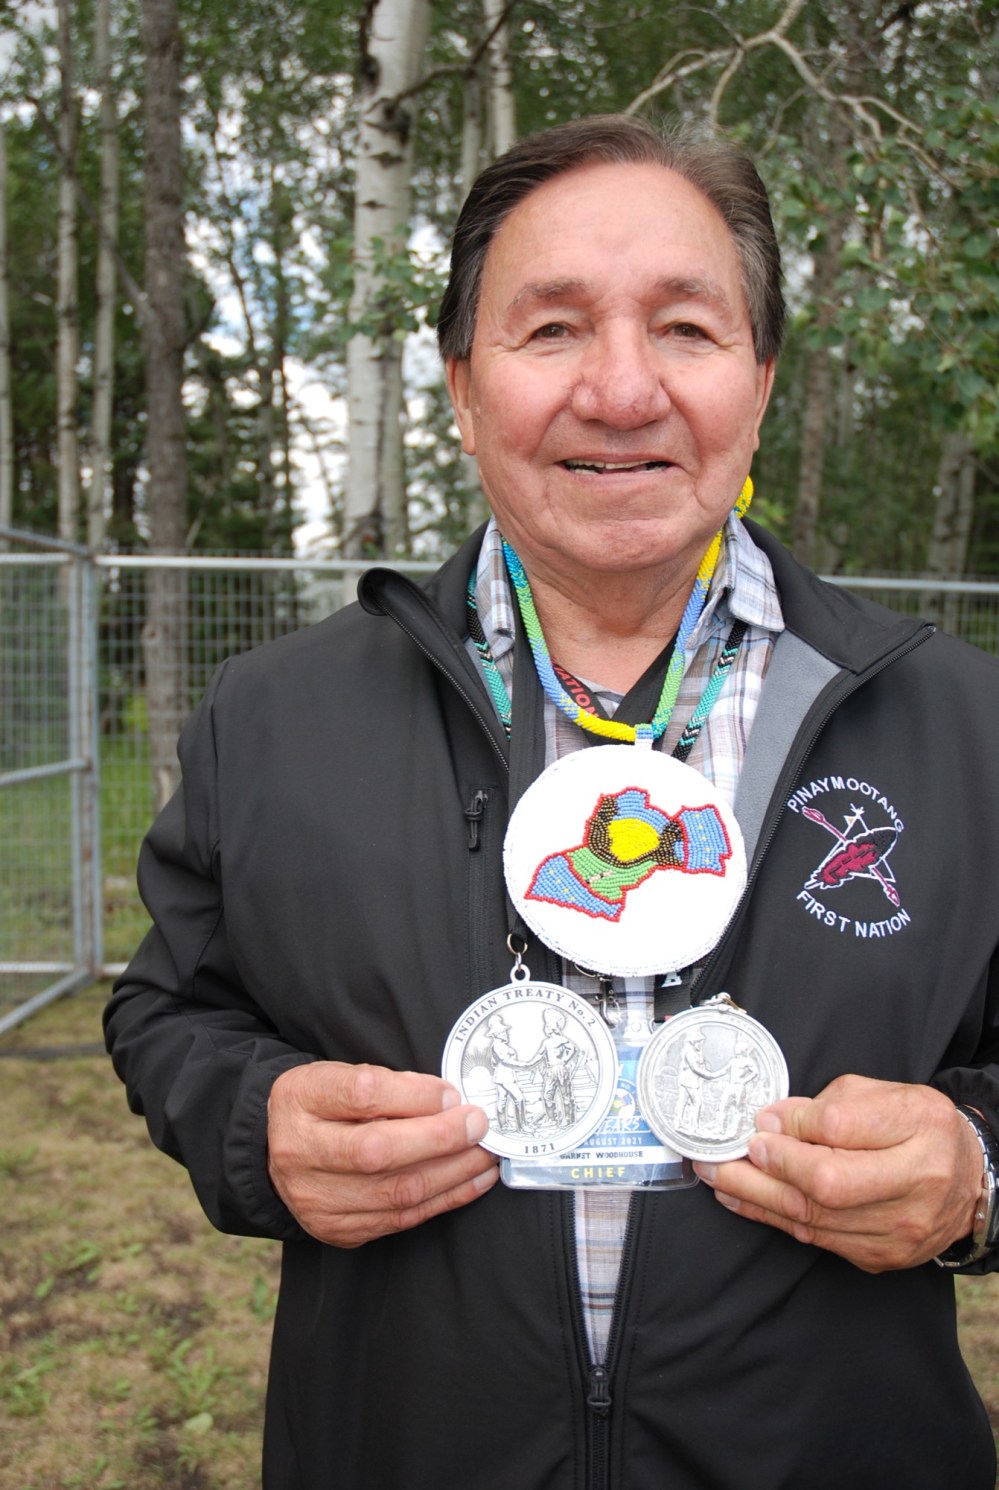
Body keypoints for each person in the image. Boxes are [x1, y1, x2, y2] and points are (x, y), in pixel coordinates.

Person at [104, 115, 999, 1490]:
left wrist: (978, 1169)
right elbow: (167, 1007)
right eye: (554, 329)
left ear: (760, 381)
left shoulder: (961, 724)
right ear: (463, 384)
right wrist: (251, 1121)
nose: (624, 388)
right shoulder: (276, 716)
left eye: (687, 330)